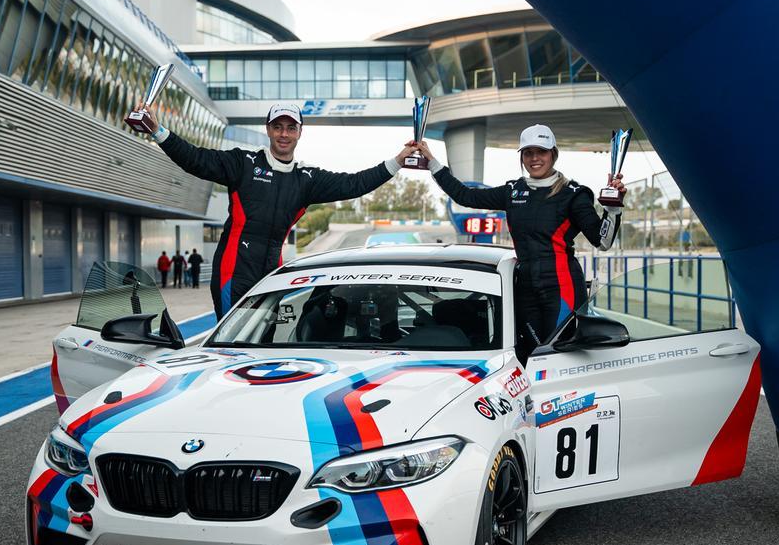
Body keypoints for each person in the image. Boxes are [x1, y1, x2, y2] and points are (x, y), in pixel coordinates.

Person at [134, 101, 414, 318]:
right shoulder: (242, 162)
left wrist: (398, 161)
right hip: (234, 272)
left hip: (272, 275)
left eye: (291, 128)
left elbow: (355, 184)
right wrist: (158, 131)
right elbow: (195, 159)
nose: (284, 134)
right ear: (267, 129)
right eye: (278, 126)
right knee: (231, 349)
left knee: (265, 345)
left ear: (300, 133)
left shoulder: (308, 179)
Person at [412, 124, 624, 358]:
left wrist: (612, 210)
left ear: (553, 154)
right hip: (524, 287)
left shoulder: (574, 193)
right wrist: (432, 162)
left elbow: (602, 242)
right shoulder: (513, 190)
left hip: (561, 286)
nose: (534, 158)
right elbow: (465, 195)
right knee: (530, 353)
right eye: (528, 152)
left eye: (541, 152)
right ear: (522, 156)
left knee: (559, 355)